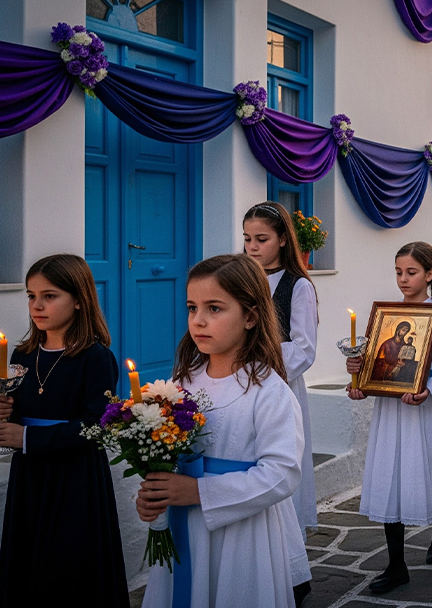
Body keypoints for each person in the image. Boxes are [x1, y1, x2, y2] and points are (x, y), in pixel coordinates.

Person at [138, 254, 304, 608]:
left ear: (250, 316)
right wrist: (155, 494)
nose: (198, 321)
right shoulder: (181, 382)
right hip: (184, 528)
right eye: (192, 307)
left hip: (241, 535)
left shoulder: (269, 391)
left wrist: (200, 491)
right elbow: (165, 455)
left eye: (214, 309)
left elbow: (282, 474)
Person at [0, 254, 129, 608]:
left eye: (49, 296)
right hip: (31, 478)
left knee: (69, 567)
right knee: (30, 559)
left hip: (75, 478)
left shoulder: (95, 357)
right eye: (31, 296)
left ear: (79, 299)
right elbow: (14, 418)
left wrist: (29, 438)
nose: (37, 305)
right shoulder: (22, 354)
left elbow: (98, 426)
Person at [345, 242, 432, 594]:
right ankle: (396, 564)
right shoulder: (387, 316)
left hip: (422, 411)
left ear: (430, 274)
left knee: (425, 469)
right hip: (390, 412)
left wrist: (430, 389)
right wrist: (358, 375)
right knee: (391, 476)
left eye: (411, 272)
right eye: (398, 272)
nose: (402, 279)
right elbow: (377, 364)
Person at [242, 202, 316, 601]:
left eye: (262, 239)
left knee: (278, 469)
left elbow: (304, 348)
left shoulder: (296, 286)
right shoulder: (238, 280)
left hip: (279, 388)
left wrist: (260, 365)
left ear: (283, 239)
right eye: (248, 239)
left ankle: (290, 563)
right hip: (238, 387)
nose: (253, 247)